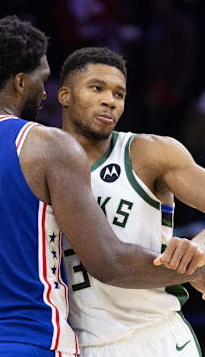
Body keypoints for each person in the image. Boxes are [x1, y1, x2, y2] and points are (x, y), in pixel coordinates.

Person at [0, 16, 205, 357]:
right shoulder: (43, 148)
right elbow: (109, 261)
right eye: (42, 80)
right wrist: (193, 271)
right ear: (22, 83)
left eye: (119, 93)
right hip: (32, 339)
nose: (42, 92)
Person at [58, 46, 205, 357]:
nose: (110, 100)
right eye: (97, 88)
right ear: (65, 96)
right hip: (80, 346)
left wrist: (200, 248)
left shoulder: (147, 153)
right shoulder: (36, 166)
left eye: (119, 94)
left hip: (157, 337)